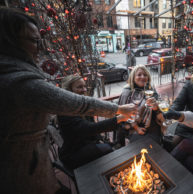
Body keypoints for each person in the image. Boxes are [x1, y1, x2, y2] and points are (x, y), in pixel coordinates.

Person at [0, 7, 136, 194]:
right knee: (108, 153)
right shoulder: (17, 81)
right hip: (25, 173)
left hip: (39, 165)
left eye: (40, 41)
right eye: (34, 41)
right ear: (9, 41)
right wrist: (119, 112)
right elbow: (83, 112)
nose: (40, 48)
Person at [57, 75, 131, 169]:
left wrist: (101, 139)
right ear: (68, 90)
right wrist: (118, 118)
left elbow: (93, 127)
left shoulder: (82, 106)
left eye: (84, 86)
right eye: (79, 87)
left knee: (109, 147)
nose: (84, 90)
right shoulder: (64, 111)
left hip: (87, 145)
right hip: (74, 152)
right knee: (108, 150)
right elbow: (89, 129)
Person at [117, 64, 164, 146]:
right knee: (141, 146)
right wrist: (137, 128)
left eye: (145, 75)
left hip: (151, 124)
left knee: (156, 143)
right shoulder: (127, 92)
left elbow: (159, 110)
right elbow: (122, 116)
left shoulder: (150, 90)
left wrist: (156, 107)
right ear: (133, 77)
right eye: (139, 75)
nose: (142, 77)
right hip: (133, 126)